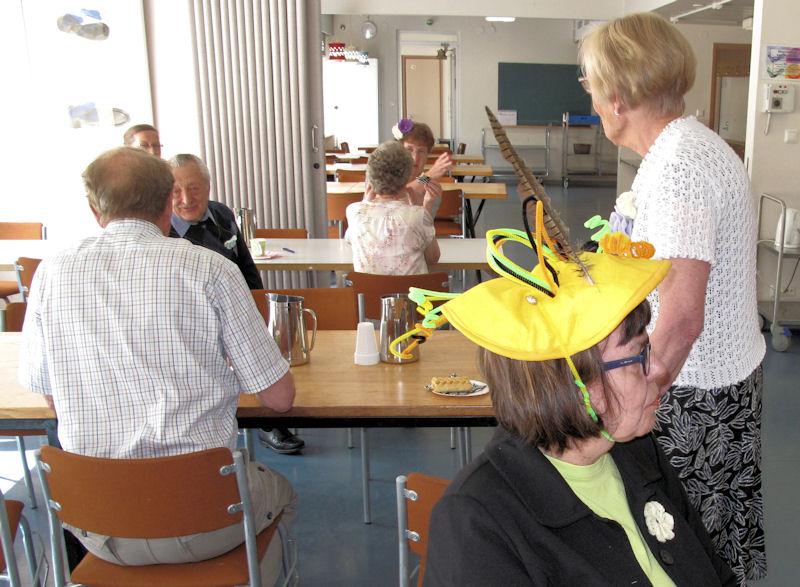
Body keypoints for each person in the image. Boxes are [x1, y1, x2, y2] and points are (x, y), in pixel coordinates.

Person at [18, 147, 296, 585]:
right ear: (169, 200)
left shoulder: (50, 273)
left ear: (94, 209)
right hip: (206, 520)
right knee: (282, 493)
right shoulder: (211, 269)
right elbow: (279, 400)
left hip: (99, 524)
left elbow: (52, 398)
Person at [414, 207, 735, 585]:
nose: (660, 370)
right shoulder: (477, 524)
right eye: (639, 356)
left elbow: (716, 575)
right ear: (574, 384)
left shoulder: (636, 449)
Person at [578, 13, 766, 583]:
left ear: (616, 97)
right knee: (711, 541)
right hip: (719, 380)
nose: (590, 99)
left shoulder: (679, 170)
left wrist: (637, 396)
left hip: (692, 393)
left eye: (589, 85)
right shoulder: (688, 146)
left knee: (687, 547)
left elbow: (681, 319)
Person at [168, 153, 305, 455]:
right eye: (176, 191)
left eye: (194, 188)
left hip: (235, 313)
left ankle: (268, 423)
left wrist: (257, 317)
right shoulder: (163, 232)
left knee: (266, 359)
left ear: (208, 186)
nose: (186, 199)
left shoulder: (221, 214)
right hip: (194, 325)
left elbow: (246, 267)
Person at [345, 141, 439, 274]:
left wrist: (364, 203)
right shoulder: (418, 214)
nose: (416, 155)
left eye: (420, 151)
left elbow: (350, 241)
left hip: (367, 289)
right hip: (410, 289)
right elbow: (433, 258)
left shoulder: (353, 211)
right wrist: (425, 210)